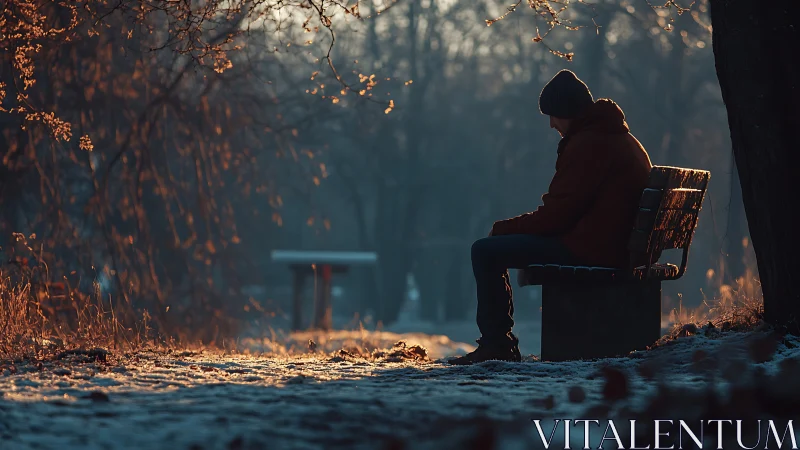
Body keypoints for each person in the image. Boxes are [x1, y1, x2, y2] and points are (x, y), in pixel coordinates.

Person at [448, 69, 653, 365]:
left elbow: (558, 216)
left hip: (594, 249)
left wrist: (504, 229)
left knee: (485, 251)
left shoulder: (589, 143)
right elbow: (565, 211)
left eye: (553, 115)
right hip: (613, 244)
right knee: (495, 247)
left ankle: (497, 344)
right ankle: (498, 342)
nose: (551, 124)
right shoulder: (619, 138)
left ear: (567, 112)